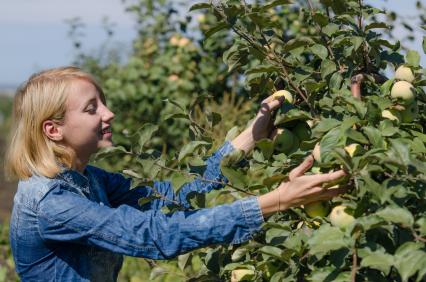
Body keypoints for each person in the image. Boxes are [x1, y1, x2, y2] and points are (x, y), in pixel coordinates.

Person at [5, 67, 346, 281]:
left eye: (103, 103)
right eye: (92, 108)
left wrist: (248, 138)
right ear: (53, 129)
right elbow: (155, 236)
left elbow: (169, 197)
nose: (109, 114)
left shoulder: (88, 179)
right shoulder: (52, 203)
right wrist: (275, 201)